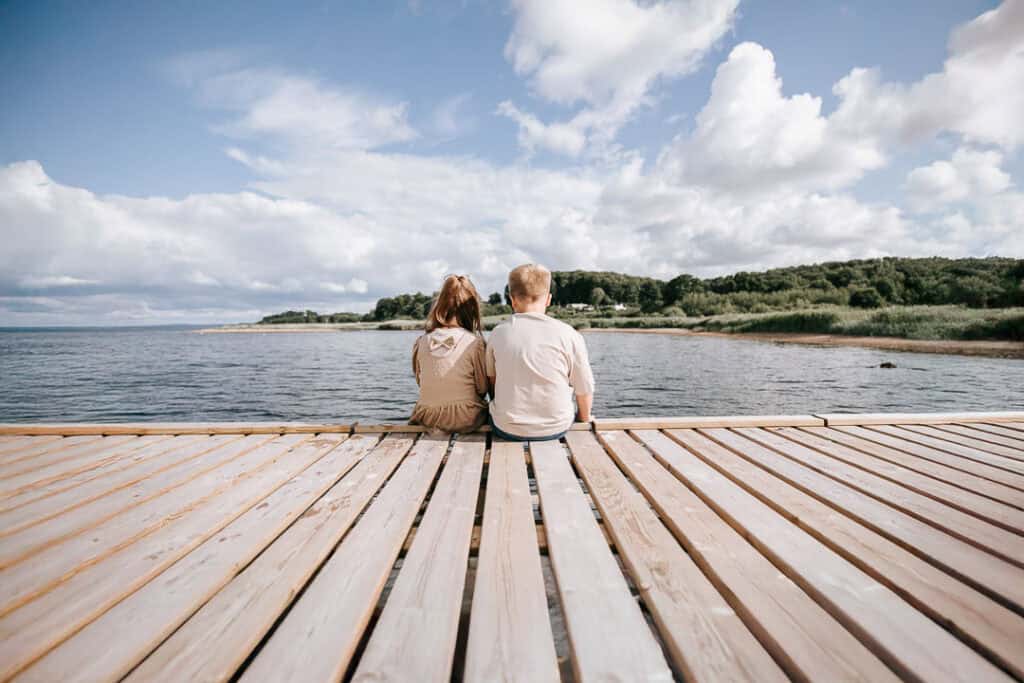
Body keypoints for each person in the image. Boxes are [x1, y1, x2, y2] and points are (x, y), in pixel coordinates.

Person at [486, 263, 595, 441]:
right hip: (556, 427)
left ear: (512, 299)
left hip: (506, 427)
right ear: (549, 299)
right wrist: (584, 418)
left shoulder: (498, 333)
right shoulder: (570, 334)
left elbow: (492, 382)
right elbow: (584, 387)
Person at [409, 275, 489, 433]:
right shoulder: (475, 343)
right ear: (472, 309)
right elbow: (482, 388)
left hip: (427, 416)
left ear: (440, 305)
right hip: (465, 417)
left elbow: (421, 381)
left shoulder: (422, 341)